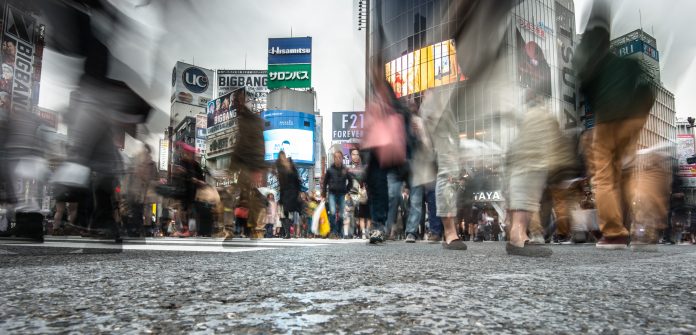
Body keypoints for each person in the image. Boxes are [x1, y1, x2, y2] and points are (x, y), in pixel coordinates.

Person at [574, 1, 656, 250]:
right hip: (633, 119)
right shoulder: (623, 62)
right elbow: (645, 84)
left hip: (608, 117)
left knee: (604, 176)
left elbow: (585, 83)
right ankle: (642, 229)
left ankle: (614, 233)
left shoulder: (588, 54)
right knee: (626, 173)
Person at [172, 142, 204, 237]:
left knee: (191, 211)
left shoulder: (195, 165)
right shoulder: (181, 163)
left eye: (190, 153)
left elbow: (201, 178)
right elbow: (178, 176)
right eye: (186, 153)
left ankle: (191, 230)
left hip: (193, 192)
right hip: (183, 191)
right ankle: (185, 230)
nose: (188, 155)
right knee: (183, 211)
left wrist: (198, 181)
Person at [322, 151, 353, 238]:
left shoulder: (345, 170)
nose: (338, 159)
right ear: (334, 158)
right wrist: (324, 195)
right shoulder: (330, 170)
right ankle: (333, 231)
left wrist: (346, 190)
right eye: (336, 157)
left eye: (339, 157)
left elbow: (351, 181)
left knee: (341, 214)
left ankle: (339, 231)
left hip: (341, 194)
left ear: (342, 158)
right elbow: (325, 183)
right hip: (332, 193)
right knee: (332, 212)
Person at [276, 151, 303, 239]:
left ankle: (296, 231)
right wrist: (280, 196)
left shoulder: (292, 167)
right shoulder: (281, 169)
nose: (283, 159)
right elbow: (281, 183)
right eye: (281, 158)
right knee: (285, 212)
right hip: (285, 192)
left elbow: (298, 181)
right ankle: (288, 233)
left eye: (283, 157)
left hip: (293, 192)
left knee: (296, 211)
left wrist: (299, 192)